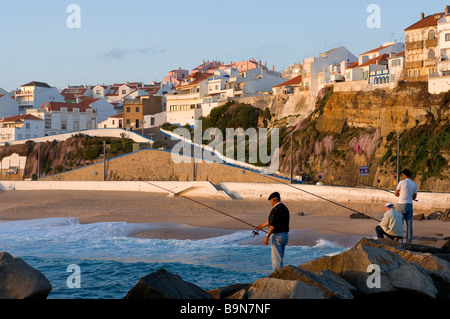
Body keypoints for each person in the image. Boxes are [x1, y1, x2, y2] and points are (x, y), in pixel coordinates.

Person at [255, 192, 290, 272]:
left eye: (271, 200)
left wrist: (267, 236)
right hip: (285, 236)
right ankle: (281, 273)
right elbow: (271, 221)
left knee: (276, 259)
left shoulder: (275, 210)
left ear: (274, 200)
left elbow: (273, 225)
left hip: (277, 236)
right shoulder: (285, 208)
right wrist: (261, 226)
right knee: (280, 257)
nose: (271, 202)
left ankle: (277, 275)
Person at [394, 169, 417, 243]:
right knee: (409, 224)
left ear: (404, 175)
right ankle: (409, 241)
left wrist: (400, 195)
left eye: (402, 174)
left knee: (400, 223)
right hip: (409, 204)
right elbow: (414, 197)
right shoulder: (414, 184)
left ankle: (400, 240)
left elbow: (396, 193)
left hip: (401, 204)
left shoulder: (401, 182)